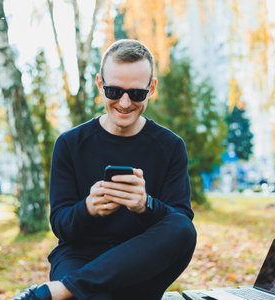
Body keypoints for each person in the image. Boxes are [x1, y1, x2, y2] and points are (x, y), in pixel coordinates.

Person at [10, 39, 197, 300]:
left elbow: (180, 225)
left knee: (183, 228)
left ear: (151, 88)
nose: (124, 103)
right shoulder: (70, 144)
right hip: (80, 258)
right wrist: (88, 208)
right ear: (100, 84)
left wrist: (145, 205)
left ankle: (61, 291)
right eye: (113, 91)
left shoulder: (170, 146)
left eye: (136, 93)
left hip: (139, 266)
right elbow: (61, 225)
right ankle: (76, 287)